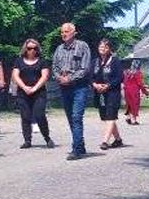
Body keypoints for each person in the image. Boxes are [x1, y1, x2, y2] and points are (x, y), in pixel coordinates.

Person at [51, 22, 92, 160]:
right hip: (64, 87)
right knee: (70, 117)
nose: (64, 34)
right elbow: (54, 67)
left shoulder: (82, 46)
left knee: (76, 116)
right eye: (62, 32)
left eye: (67, 31)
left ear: (74, 33)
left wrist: (70, 78)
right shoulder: (59, 49)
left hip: (79, 87)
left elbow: (85, 68)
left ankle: (76, 149)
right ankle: (80, 145)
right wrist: (59, 78)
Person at [11, 38, 53, 149]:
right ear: (25, 49)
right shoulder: (19, 61)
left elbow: (45, 76)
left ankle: (47, 137)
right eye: (29, 48)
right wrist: (24, 87)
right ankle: (27, 140)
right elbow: (15, 75)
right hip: (23, 92)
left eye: (35, 48)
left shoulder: (42, 62)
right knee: (25, 116)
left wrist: (34, 88)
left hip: (39, 92)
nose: (32, 50)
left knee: (39, 115)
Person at [92, 38, 124, 150]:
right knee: (106, 117)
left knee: (111, 115)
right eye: (101, 46)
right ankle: (118, 139)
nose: (102, 49)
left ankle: (105, 141)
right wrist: (95, 85)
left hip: (112, 93)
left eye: (105, 47)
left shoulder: (115, 61)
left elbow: (120, 77)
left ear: (109, 49)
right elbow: (90, 77)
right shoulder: (95, 61)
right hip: (100, 93)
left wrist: (108, 86)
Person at [122, 60, 149, 125]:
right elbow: (140, 83)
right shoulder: (138, 73)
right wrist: (145, 92)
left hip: (127, 90)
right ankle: (133, 120)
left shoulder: (127, 72)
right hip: (134, 91)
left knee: (129, 104)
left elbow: (124, 82)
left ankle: (128, 118)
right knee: (134, 105)